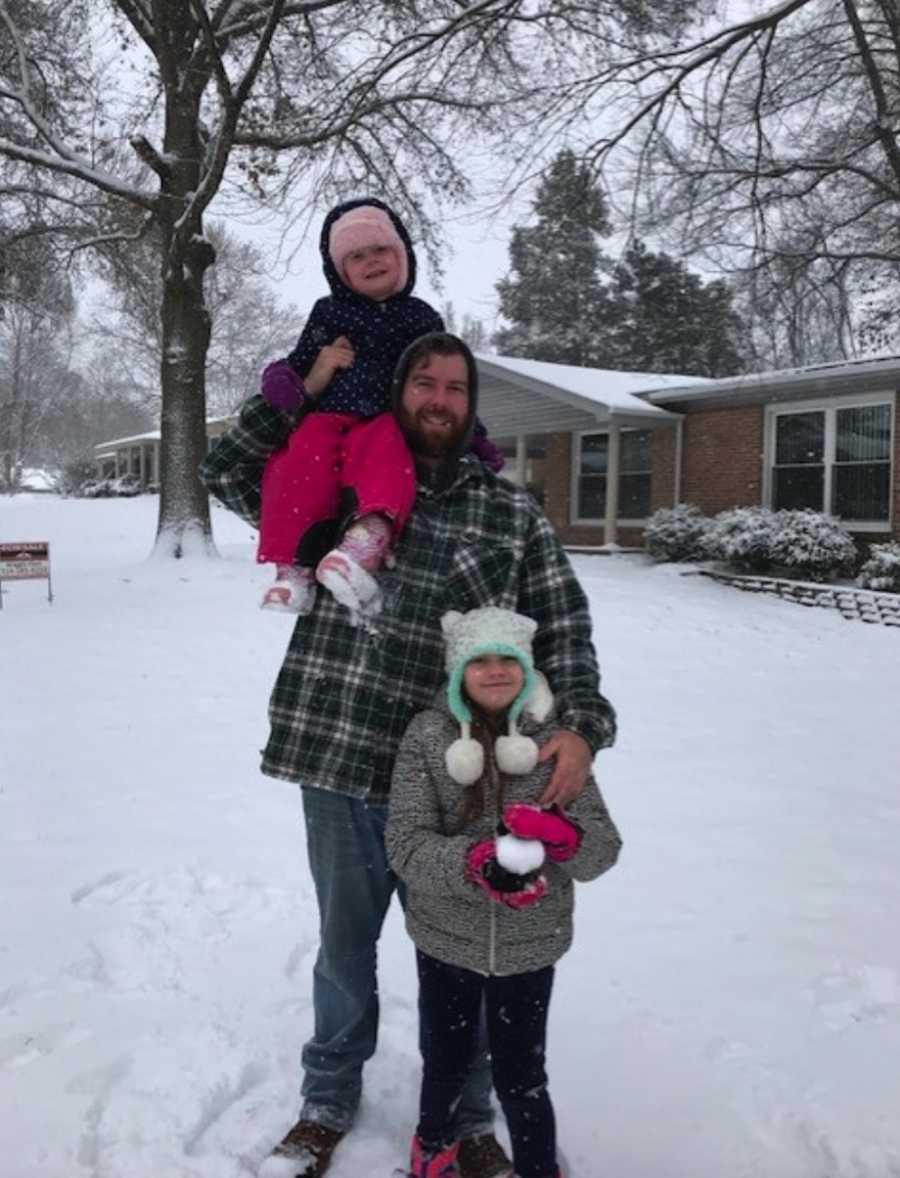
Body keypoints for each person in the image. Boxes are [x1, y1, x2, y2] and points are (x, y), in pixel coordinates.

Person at [199, 332, 617, 1178]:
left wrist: (582, 724)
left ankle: (467, 1121)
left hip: (463, 776)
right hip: (345, 754)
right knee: (346, 950)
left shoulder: (510, 513)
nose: (438, 398)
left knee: (469, 947)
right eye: (422, 382)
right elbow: (229, 473)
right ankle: (326, 1101)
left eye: (455, 387)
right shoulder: (337, 470)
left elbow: (564, 626)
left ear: (471, 403)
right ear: (398, 393)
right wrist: (300, 389)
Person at [385, 606, 622, 1178]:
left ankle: (539, 1167)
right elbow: (406, 843)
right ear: (457, 671)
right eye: (479, 661)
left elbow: (602, 852)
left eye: (508, 660)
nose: (495, 672)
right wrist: (476, 864)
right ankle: (433, 1153)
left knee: (522, 1076)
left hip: (531, 945)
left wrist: (565, 839)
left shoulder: (557, 745)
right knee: (445, 1060)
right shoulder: (427, 736)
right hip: (447, 941)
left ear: (528, 668)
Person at [255, 198, 500, 617]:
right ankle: (294, 569)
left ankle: (361, 546)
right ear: (340, 270)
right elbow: (300, 364)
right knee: (297, 462)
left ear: (401, 255)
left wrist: (472, 437)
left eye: (380, 250)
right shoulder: (328, 313)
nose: (370, 261)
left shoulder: (420, 319)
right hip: (329, 417)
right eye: (356, 256)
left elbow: (443, 386)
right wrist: (283, 377)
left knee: (388, 460)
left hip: (387, 419)